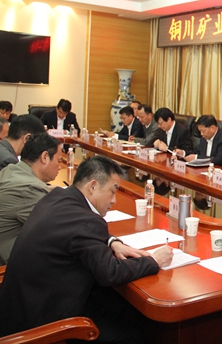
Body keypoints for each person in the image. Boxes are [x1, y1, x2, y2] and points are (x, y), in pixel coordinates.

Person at [0, 156, 173, 343]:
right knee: (134, 334)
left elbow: (76, 232)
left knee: (116, 303)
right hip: (42, 323)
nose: (114, 200)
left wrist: (112, 242)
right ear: (93, 186)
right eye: (112, 191)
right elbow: (110, 273)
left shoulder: (58, 197)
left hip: (20, 307)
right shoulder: (87, 221)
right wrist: (154, 260)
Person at [0, 133, 62, 265]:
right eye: (59, 161)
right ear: (45, 157)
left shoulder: (11, 169)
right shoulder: (30, 189)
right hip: (9, 266)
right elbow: (59, 229)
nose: (60, 166)